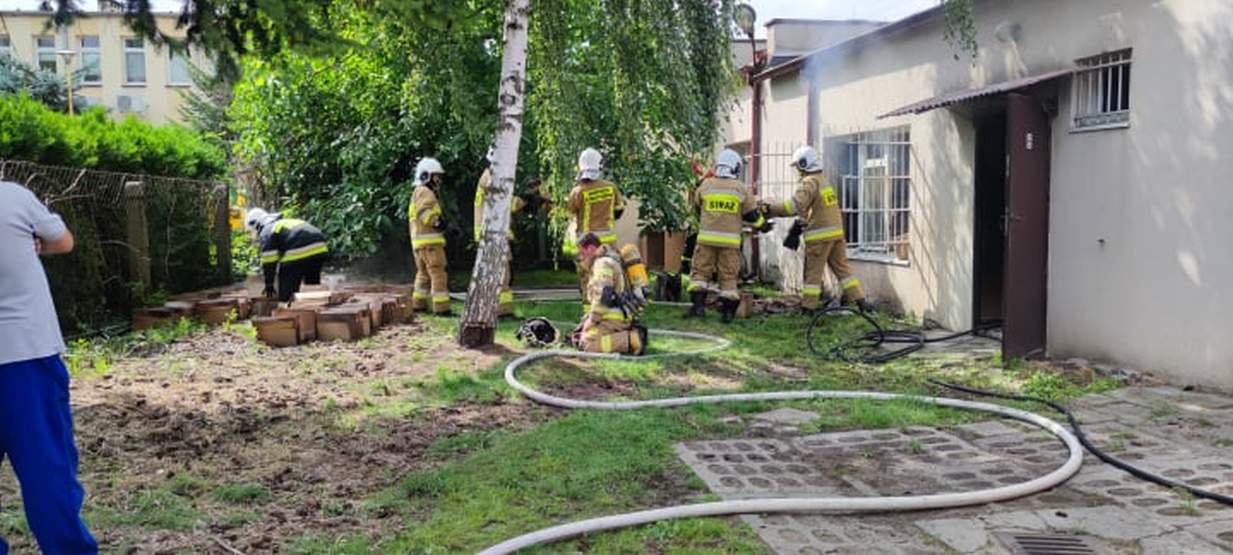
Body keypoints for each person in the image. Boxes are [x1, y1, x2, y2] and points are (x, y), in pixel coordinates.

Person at [0, 180, 98, 554]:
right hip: (24, 357)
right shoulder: (13, 198)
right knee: (46, 472)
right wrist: (32, 243)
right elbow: (63, 241)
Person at [765, 145, 870, 313]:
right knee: (843, 270)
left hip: (819, 238)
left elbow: (793, 206)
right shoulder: (823, 180)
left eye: (798, 167)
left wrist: (770, 208)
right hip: (836, 234)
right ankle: (862, 302)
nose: (798, 171)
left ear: (804, 164)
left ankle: (808, 308)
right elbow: (817, 209)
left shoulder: (809, 182)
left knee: (812, 274)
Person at [686, 149, 772, 323]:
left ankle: (698, 308)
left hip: (706, 240)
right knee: (728, 277)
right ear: (735, 168)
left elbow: (696, 208)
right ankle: (727, 314)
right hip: (730, 243)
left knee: (700, 274)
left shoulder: (706, 185)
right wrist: (763, 226)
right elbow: (752, 216)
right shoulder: (740, 189)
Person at [473, 148, 549, 317]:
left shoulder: (488, 177)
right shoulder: (491, 178)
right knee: (502, 275)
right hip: (493, 234)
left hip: (492, 234)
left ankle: (492, 309)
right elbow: (509, 202)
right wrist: (530, 200)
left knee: (498, 274)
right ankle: (503, 312)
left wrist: (528, 198)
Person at [571, 233, 646, 355]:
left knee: (587, 345)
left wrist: (592, 320)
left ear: (590, 249)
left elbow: (604, 295)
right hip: (615, 316)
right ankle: (626, 336)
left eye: (582, 253)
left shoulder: (602, 264)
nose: (581, 258)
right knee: (578, 336)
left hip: (611, 318)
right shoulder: (610, 258)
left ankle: (630, 339)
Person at [567, 148, 625, 305]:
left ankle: (589, 313)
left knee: (588, 275)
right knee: (611, 271)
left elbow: (570, 212)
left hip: (587, 241)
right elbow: (619, 210)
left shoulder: (578, 191)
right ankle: (613, 305)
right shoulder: (611, 187)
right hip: (608, 238)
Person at [245, 208, 330, 303]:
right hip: (320, 247)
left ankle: (286, 309)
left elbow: (269, 260)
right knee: (311, 286)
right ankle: (314, 307)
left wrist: (269, 284)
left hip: (300, 247)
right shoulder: (283, 224)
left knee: (287, 279)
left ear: (257, 224)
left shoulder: (267, 230)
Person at [409, 157, 451, 315]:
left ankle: (418, 304)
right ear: (426, 176)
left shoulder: (417, 192)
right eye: (436, 176)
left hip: (419, 244)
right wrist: (438, 223)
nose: (438, 179)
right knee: (438, 272)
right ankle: (442, 308)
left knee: (423, 274)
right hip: (430, 243)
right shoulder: (425, 192)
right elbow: (424, 212)